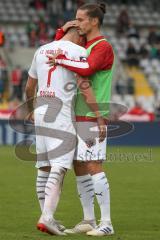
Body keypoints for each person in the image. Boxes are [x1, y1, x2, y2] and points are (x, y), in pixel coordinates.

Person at [25, 26, 104, 236]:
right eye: (84, 38)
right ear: (79, 33)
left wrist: (30, 110)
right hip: (60, 112)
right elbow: (84, 84)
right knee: (59, 167)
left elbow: (28, 87)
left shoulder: (41, 49)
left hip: (41, 111)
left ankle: (46, 215)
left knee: (43, 167)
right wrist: (98, 114)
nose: (85, 42)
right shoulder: (78, 51)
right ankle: (47, 218)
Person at [47, 2, 115, 236]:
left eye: (81, 19)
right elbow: (60, 47)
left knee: (94, 165)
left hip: (92, 115)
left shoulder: (103, 46)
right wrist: (60, 31)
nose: (77, 23)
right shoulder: (86, 44)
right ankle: (89, 219)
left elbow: (86, 69)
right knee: (80, 166)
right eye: (75, 19)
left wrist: (60, 60)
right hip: (76, 113)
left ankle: (106, 223)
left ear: (94, 21)